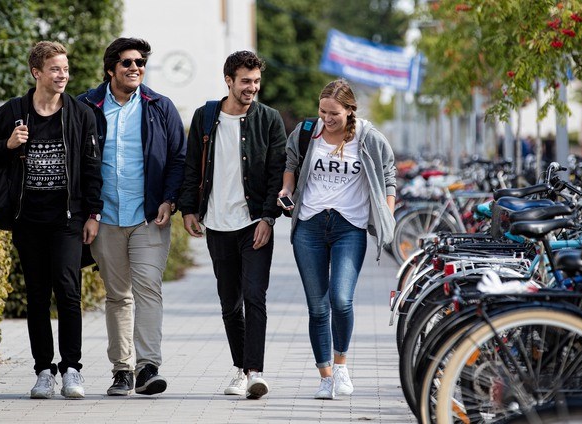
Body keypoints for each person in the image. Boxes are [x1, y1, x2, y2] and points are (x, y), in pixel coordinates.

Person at [0, 41, 103, 399]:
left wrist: (93, 214)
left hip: (67, 220)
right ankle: (43, 371)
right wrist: (9, 143)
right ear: (37, 72)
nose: (62, 75)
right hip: (27, 219)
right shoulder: (14, 112)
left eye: (65, 69)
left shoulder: (81, 114)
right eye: (55, 69)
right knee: (37, 296)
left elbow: (93, 168)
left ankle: (72, 370)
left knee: (68, 292)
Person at [78, 38, 186, 396]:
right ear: (111, 68)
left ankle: (147, 367)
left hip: (147, 217)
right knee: (117, 295)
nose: (135, 67)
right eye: (127, 62)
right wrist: (87, 212)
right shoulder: (86, 107)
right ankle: (121, 370)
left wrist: (169, 200)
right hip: (104, 216)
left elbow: (177, 158)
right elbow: (75, 164)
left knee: (148, 290)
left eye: (141, 62)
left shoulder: (160, 107)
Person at [278, 79, 396, 399]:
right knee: (317, 308)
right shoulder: (306, 133)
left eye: (334, 113)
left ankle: (342, 364)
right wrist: (286, 190)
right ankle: (326, 376)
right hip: (309, 227)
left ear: (349, 110)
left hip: (349, 227)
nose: (327, 119)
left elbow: (388, 176)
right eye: (322, 111)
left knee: (341, 299)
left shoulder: (368, 138)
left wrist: (387, 214)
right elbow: (290, 163)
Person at [178, 50, 286, 400]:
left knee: (255, 296)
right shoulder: (206, 117)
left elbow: (276, 173)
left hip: (254, 223)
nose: (251, 88)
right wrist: (188, 210)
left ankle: (254, 372)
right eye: (245, 82)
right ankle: (240, 368)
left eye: (256, 81)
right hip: (217, 225)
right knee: (229, 303)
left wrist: (269, 218)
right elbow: (191, 165)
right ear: (229, 80)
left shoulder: (269, 120)